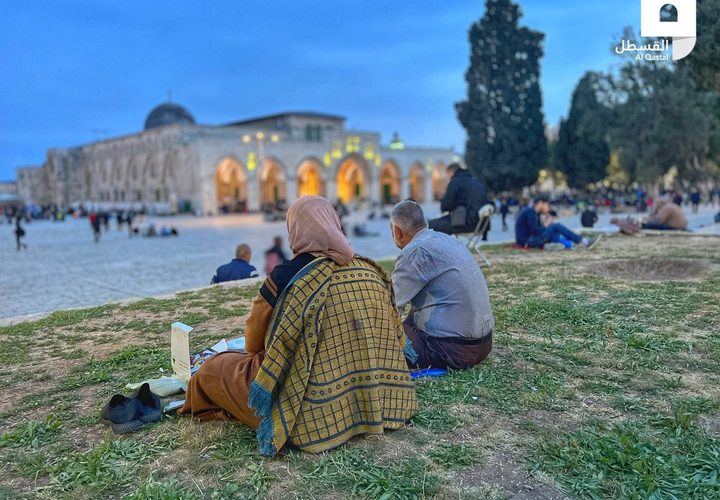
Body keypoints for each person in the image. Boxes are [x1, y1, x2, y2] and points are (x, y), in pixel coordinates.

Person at [182, 196, 417, 455]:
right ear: (334, 223)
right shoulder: (370, 272)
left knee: (212, 369)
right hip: (377, 397)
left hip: (305, 413)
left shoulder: (284, 275)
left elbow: (252, 344)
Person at [390, 200, 494, 370]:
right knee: (412, 314)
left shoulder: (413, 252)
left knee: (377, 348)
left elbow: (389, 308)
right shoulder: (447, 240)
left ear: (397, 231)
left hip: (452, 350)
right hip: (484, 345)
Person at [428, 163, 490, 239]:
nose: (448, 178)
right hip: (482, 224)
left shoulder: (455, 181)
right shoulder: (476, 181)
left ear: (450, 172)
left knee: (428, 226)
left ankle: (439, 250)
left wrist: (442, 200)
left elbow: (447, 205)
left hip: (466, 222)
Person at [515, 195, 594, 249]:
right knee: (556, 226)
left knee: (554, 230)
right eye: (547, 205)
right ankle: (583, 241)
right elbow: (536, 232)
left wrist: (547, 225)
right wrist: (546, 224)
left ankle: (574, 243)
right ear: (540, 203)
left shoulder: (535, 213)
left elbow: (538, 231)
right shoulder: (530, 212)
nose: (548, 208)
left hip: (531, 239)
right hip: (527, 242)